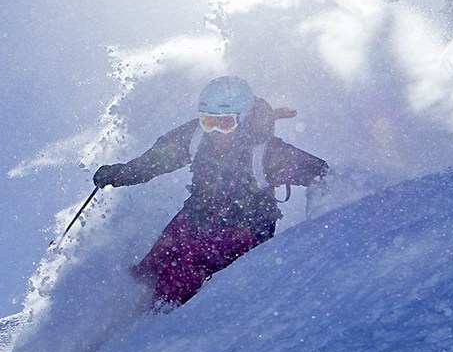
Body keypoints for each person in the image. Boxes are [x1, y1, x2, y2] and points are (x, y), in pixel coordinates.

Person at [93, 76, 329, 310]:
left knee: (187, 260)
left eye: (225, 123)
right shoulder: (196, 137)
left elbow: (321, 174)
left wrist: (322, 222)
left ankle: (161, 317)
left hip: (246, 230)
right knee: (156, 260)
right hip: (199, 214)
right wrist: (120, 174)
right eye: (208, 121)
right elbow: (155, 160)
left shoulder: (267, 152)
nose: (216, 131)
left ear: (243, 118)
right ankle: (126, 309)